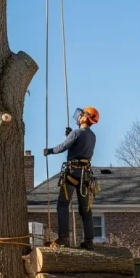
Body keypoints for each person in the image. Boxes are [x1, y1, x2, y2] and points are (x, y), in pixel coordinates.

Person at [43, 106, 99, 249]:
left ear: (85, 117)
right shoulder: (92, 136)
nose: (78, 117)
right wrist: (70, 135)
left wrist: (49, 151)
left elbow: (63, 147)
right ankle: (89, 240)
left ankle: (63, 237)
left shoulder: (76, 133)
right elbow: (78, 143)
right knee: (85, 208)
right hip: (85, 174)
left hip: (73, 172)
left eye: (81, 116)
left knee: (62, 204)